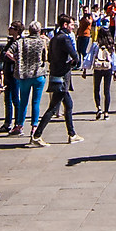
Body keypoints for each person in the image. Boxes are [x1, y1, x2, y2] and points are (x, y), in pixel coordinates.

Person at [36, 17, 83, 145]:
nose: (73, 27)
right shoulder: (65, 38)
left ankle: (72, 134)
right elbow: (75, 56)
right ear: (65, 24)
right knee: (52, 108)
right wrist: (72, 63)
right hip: (62, 76)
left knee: (68, 105)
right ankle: (37, 135)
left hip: (55, 74)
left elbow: (50, 57)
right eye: (71, 25)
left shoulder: (54, 39)